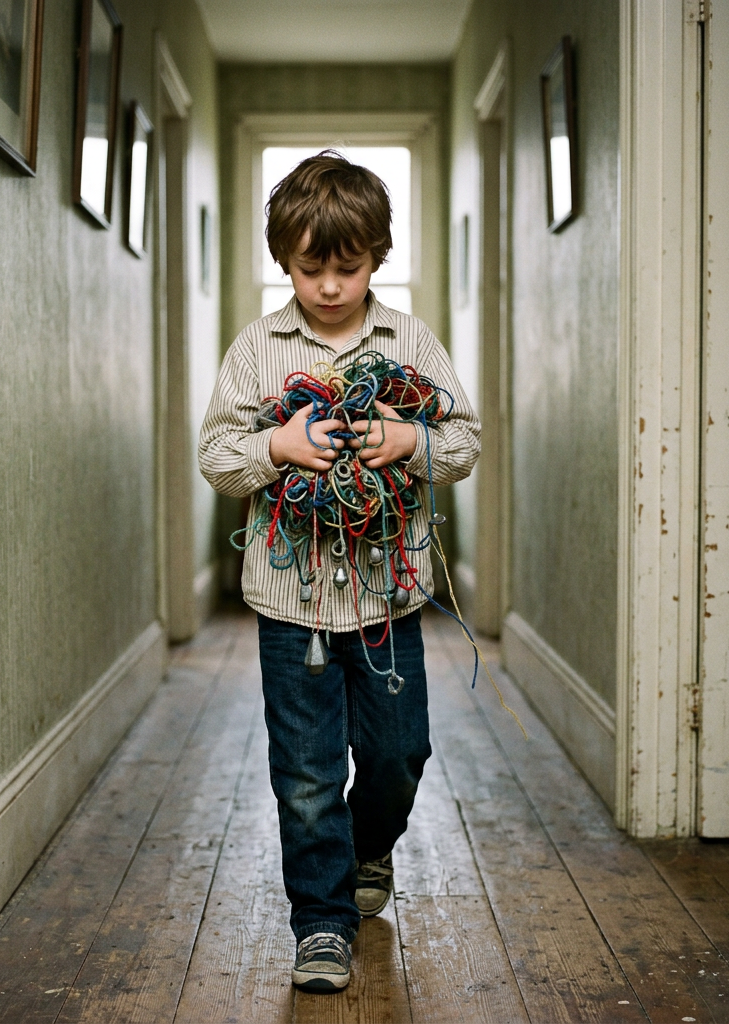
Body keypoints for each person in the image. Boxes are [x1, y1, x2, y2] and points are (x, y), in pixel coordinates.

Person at [198, 151, 480, 993]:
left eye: (346, 267)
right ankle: (322, 923)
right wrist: (275, 446)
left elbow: (463, 440)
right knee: (308, 771)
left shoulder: (409, 341)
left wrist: (409, 439)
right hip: (291, 605)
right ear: (284, 259)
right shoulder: (259, 347)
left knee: (399, 753)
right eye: (310, 267)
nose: (328, 286)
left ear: (377, 257)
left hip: (389, 601)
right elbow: (216, 455)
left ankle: (368, 847)